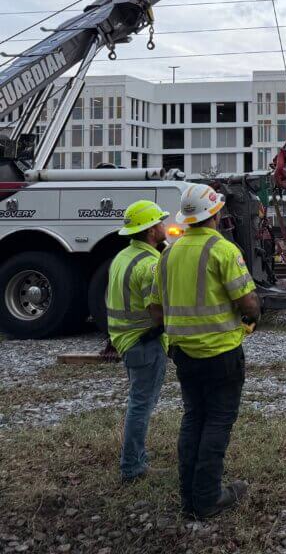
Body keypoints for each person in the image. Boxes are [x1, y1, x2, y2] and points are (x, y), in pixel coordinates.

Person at [148, 183, 261, 520]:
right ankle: (208, 498)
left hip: (183, 353)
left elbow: (155, 311)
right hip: (222, 353)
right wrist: (251, 316)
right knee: (217, 422)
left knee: (193, 418)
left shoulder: (169, 253)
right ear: (215, 212)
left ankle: (189, 499)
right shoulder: (223, 250)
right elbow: (249, 303)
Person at [107, 199, 170, 483]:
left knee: (138, 401)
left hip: (126, 340)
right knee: (141, 404)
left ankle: (134, 460)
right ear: (150, 231)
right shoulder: (149, 265)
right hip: (145, 342)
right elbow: (156, 313)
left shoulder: (123, 257)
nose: (164, 226)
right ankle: (132, 466)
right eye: (160, 222)